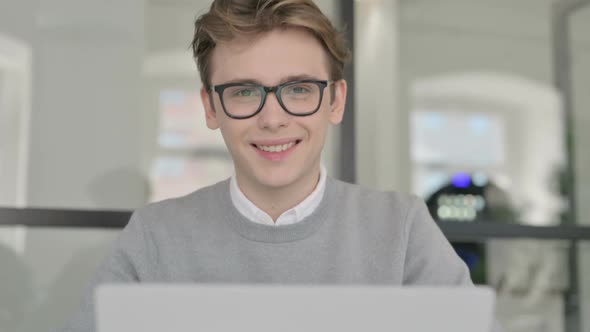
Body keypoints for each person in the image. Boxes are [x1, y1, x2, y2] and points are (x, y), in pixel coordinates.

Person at [58, 0, 500, 331]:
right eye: (244, 92)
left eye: (299, 89)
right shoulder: (155, 236)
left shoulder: (402, 230)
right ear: (211, 108)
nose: (273, 119)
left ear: (335, 100)